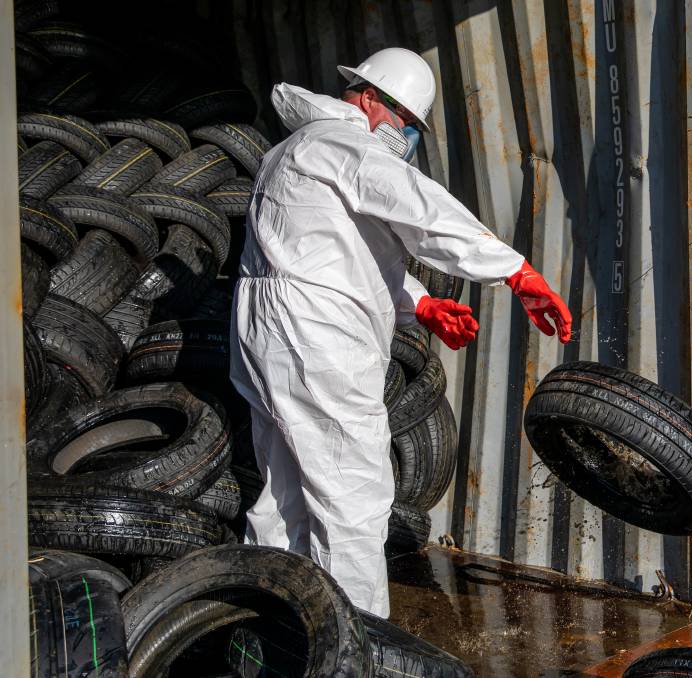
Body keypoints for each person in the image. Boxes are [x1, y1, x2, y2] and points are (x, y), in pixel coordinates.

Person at [229, 47, 572, 617]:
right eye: (408, 123)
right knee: (354, 495)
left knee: (284, 492)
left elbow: (337, 255)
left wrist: (422, 304)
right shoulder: (347, 145)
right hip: (317, 337)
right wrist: (512, 269)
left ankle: (271, 624)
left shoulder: (291, 151)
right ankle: (360, 644)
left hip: (272, 325)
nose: (408, 137)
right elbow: (421, 208)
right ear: (370, 98)